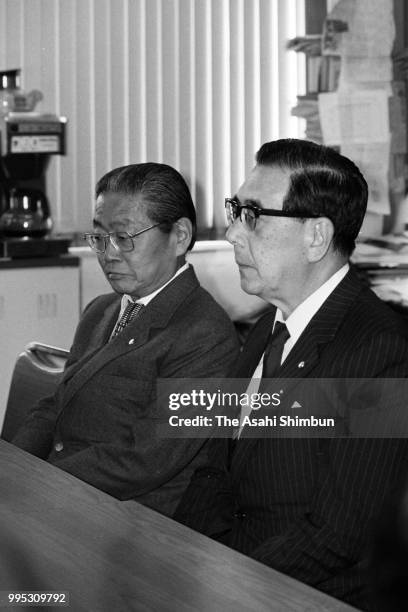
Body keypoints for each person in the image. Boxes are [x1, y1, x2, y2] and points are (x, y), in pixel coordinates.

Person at [174, 139, 408, 610]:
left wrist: (222, 587)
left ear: (316, 237)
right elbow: (211, 472)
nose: (233, 233)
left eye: (252, 215)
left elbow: (338, 534)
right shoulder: (268, 325)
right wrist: (177, 560)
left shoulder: (379, 350)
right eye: (235, 210)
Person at [12, 162, 239, 517]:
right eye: (100, 237)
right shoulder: (101, 310)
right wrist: (12, 465)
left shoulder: (206, 334)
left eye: (124, 237)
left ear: (179, 235)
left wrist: (38, 482)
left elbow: (144, 460)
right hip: (64, 493)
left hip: (131, 518)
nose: (108, 253)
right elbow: (56, 405)